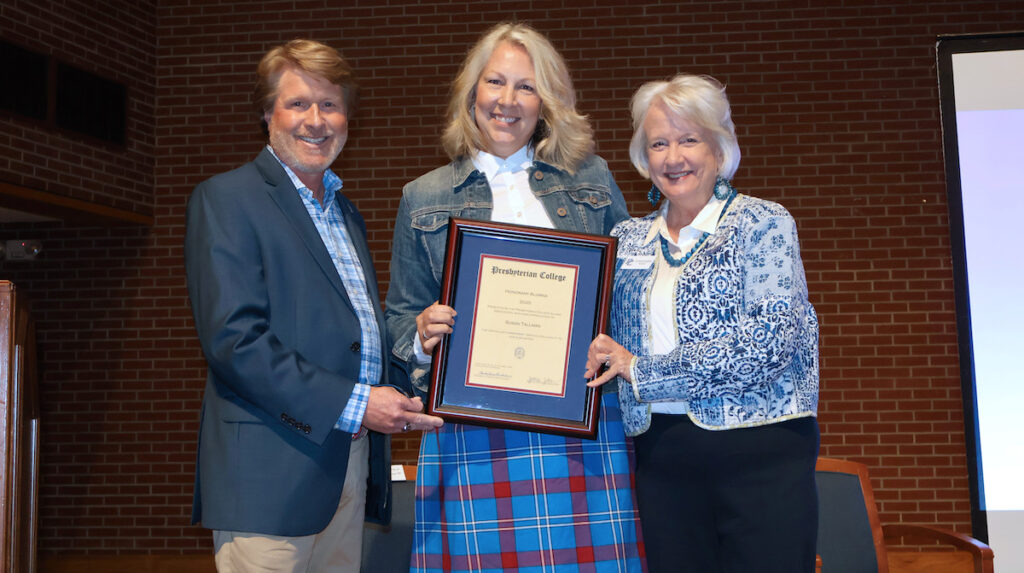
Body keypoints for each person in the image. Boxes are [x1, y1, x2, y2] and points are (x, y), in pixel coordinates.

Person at [385, 22, 646, 573]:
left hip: (582, 425)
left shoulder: (591, 178)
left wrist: (618, 346)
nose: (507, 101)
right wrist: (425, 338)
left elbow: (631, 293)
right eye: (495, 82)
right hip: (470, 431)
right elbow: (401, 318)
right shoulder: (422, 197)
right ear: (471, 93)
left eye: (526, 87)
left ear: (547, 101)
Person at [184, 39, 443, 573]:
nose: (316, 120)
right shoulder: (227, 200)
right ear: (267, 113)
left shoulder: (346, 214)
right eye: (298, 103)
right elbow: (237, 344)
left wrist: (415, 346)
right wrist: (359, 404)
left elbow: (355, 339)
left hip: (347, 467)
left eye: (330, 104)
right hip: (269, 478)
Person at [585, 74, 820, 573]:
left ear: (719, 147)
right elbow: (596, 332)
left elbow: (769, 341)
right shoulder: (626, 239)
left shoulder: (763, 223)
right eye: (659, 143)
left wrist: (644, 371)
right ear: (644, 158)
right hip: (662, 454)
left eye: (689, 139)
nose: (674, 158)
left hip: (760, 451)